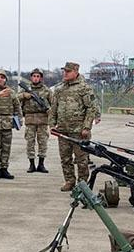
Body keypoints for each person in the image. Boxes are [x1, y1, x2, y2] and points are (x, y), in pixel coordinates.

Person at [48, 61, 95, 191]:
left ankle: (82, 184)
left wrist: (86, 127)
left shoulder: (84, 88)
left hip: (79, 131)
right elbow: (53, 108)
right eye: (64, 71)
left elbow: (91, 109)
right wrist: (52, 124)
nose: (65, 73)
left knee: (82, 159)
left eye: (68, 71)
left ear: (76, 72)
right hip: (63, 130)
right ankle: (69, 181)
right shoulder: (60, 89)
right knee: (65, 158)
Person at [0, 69, 21, 180]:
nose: (0, 79)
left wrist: (19, 121)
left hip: (7, 124)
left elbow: (17, 107)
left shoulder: (10, 92)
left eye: (2, 77)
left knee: (6, 148)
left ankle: (4, 168)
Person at [20, 68, 51, 173]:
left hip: (42, 120)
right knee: (30, 142)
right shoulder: (26, 89)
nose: (36, 78)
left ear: (41, 78)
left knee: (43, 143)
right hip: (30, 120)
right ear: (31, 77)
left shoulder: (46, 90)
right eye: (34, 76)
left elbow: (53, 104)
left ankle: (41, 164)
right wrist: (24, 95)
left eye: (38, 76)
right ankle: (32, 164)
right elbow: (15, 98)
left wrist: (50, 112)